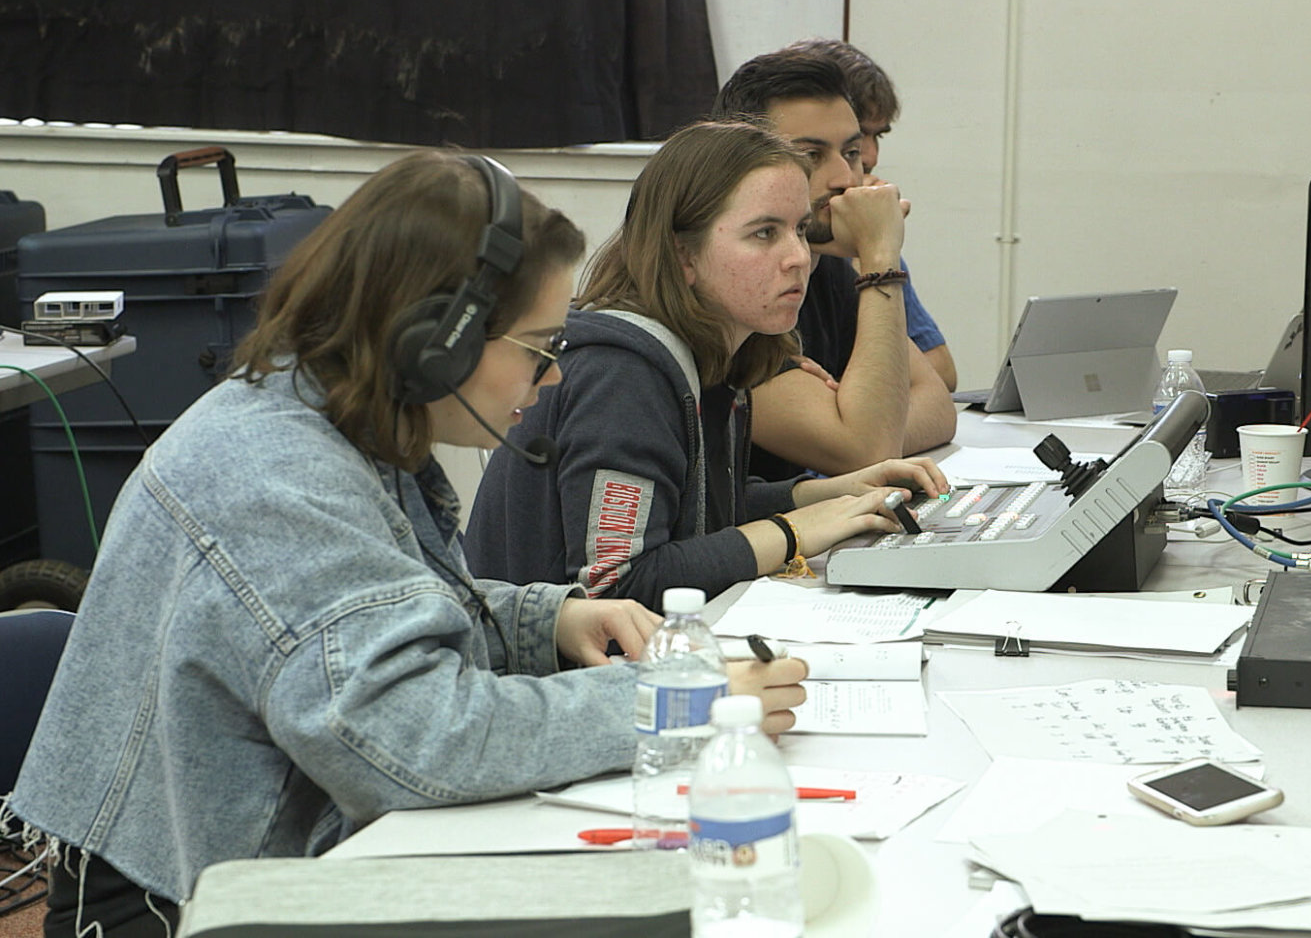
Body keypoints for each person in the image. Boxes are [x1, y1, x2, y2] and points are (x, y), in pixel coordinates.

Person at [6, 150, 807, 938]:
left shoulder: (336, 415)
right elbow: (415, 740)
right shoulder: (274, 475)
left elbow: (362, 609)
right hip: (183, 901)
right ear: (439, 341)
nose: (555, 377)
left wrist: (542, 620)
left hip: (281, 856)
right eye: (540, 348)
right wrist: (676, 703)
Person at [464, 121, 948, 608]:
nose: (798, 257)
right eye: (764, 233)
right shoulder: (621, 375)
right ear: (683, 255)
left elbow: (689, 512)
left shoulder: (720, 352)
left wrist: (822, 496)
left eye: (800, 229)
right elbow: (612, 589)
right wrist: (792, 531)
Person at [712, 49, 958, 482]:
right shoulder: (730, 282)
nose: (846, 178)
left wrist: (863, 421)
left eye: (850, 152)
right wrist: (879, 253)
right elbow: (866, 450)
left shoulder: (824, 265)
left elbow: (937, 402)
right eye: (811, 156)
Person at [785, 36, 957, 390]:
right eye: (815, 153)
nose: (870, 157)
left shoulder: (859, 233)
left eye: (864, 141)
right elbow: (856, 437)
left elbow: (940, 375)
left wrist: (871, 254)